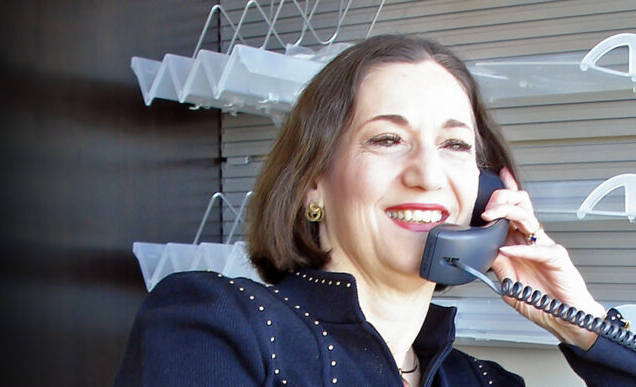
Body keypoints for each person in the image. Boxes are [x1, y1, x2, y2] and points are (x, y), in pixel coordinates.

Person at [114, 35, 635, 386]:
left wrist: (583, 325)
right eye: (387, 139)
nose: (428, 175)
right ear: (312, 184)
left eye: (454, 145)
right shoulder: (214, 321)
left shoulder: (482, 381)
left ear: (485, 193)